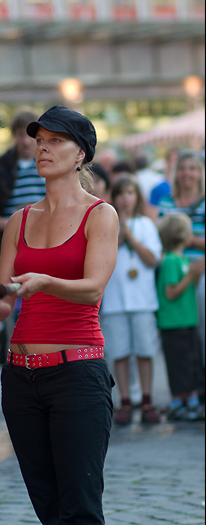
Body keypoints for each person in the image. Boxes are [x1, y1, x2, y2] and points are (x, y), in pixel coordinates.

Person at [0, 105, 119, 525]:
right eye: (38, 139)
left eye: (56, 141)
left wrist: (42, 283)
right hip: (21, 377)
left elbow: (90, 290)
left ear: (80, 154)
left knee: (79, 510)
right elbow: (8, 295)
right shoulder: (18, 219)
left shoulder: (100, 215)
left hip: (78, 376)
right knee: (51, 517)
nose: (42, 148)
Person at [0, 109, 46, 363]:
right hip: (13, 244)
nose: (26, 141)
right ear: (13, 135)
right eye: (20, 134)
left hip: (48, 242)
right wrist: (6, 224)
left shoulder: (49, 163)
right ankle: (17, 353)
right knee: (11, 299)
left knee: (43, 298)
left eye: (31, 136)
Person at [100, 175, 163, 425]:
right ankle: (125, 399)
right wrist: (120, 236)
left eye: (130, 193)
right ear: (113, 198)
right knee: (120, 352)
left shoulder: (146, 225)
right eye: (120, 194)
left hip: (142, 301)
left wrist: (132, 238)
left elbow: (151, 259)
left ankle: (147, 399)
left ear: (137, 197)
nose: (125, 199)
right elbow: (103, 258)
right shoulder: (107, 225)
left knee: (145, 350)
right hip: (115, 302)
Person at [158, 151, 205, 368]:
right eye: (183, 168)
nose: (187, 173)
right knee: (181, 330)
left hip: (201, 270)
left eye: (192, 168)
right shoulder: (166, 203)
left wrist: (189, 239)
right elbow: (159, 238)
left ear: (200, 173)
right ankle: (189, 387)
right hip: (173, 271)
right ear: (176, 173)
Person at [156, 213, 205, 421]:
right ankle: (179, 401)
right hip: (173, 324)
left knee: (192, 362)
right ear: (182, 235)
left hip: (188, 320)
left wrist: (196, 276)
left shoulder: (184, 260)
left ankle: (192, 399)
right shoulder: (170, 262)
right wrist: (191, 275)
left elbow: (188, 290)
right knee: (178, 364)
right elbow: (171, 292)